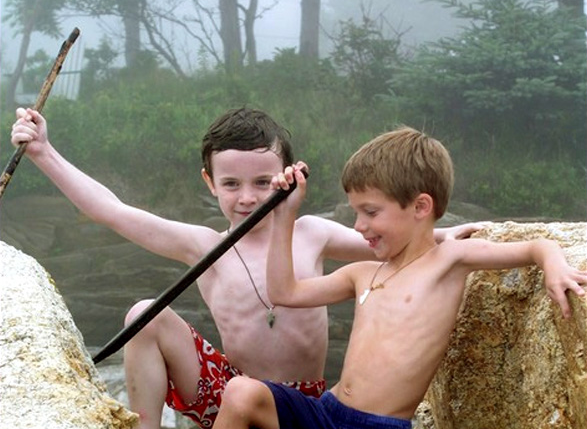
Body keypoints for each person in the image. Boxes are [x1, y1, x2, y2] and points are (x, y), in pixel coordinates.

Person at [11, 108, 481, 429]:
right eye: (232, 184)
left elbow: (392, 243)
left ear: (287, 176)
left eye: (262, 182)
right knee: (142, 315)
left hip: (300, 404)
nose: (248, 197)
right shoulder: (204, 246)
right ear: (210, 182)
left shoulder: (311, 232)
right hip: (231, 393)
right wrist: (43, 153)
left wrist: (446, 235)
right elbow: (112, 211)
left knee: (256, 393)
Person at [212, 126, 587, 429]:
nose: (359, 226)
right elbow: (283, 292)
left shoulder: (448, 260)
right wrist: (285, 216)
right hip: (327, 411)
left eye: (371, 212)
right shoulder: (362, 273)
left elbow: (536, 246)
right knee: (241, 393)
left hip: (377, 425)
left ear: (421, 206)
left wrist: (554, 265)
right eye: (356, 213)